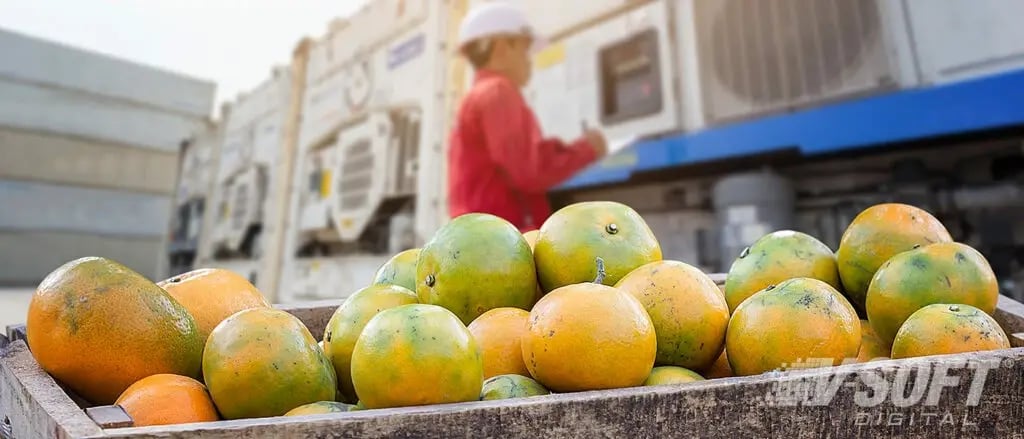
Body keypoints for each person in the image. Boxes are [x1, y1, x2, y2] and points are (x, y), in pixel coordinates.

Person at [447, 2, 608, 232]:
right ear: (501, 47)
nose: (529, 60)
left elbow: (516, 158)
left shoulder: (476, 96)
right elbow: (528, 171)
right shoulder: (498, 92)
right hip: (504, 240)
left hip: (480, 236)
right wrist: (587, 149)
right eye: (524, 50)